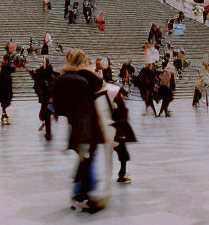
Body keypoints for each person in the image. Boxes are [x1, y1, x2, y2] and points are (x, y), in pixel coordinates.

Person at [52, 50, 112, 213]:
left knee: (84, 157)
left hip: (74, 125)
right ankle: (84, 194)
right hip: (88, 124)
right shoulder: (86, 77)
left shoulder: (63, 77)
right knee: (88, 158)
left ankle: (80, 191)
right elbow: (101, 89)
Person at [110, 88, 136, 184]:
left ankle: (122, 174)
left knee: (123, 154)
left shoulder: (115, 99)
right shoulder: (117, 100)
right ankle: (121, 176)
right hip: (117, 132)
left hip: (116, 131)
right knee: (123, 154)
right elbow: (119, 117)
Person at [30, 56, 58, 140]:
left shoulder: (49, 71)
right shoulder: (42, 71)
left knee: (47, 112)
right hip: (45, 96)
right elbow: (36, 75)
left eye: (45, 62)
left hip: (48, 96)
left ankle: (48, 131)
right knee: (46, 113)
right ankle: (48, 131)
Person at [0, 55, 16, 125]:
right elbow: (0, 77)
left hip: (7, 87)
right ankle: (4, 115)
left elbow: (13, 70)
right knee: (4, 102)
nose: (5, 61)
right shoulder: (3, 67)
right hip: (3, 87)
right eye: (4, 60)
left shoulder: (7, 67)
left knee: (6, 102)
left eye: (6, 60)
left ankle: (4, 115)